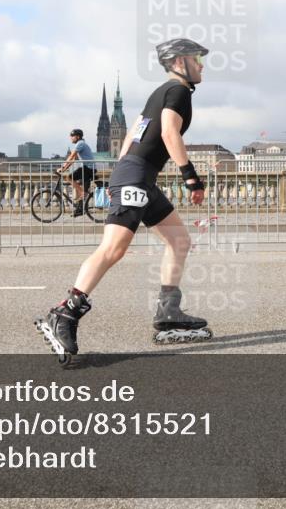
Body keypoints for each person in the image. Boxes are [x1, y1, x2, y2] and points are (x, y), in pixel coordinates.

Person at [35, 38, 211, 363]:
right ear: (179, 62)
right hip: (136, 176)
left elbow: (132, 134)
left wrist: (127, 170)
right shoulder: (178, 92)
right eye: (197, 59)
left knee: (179, 241)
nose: (202, 65)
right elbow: (169, 133)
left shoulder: (159, 93)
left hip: (138, 175)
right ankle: (65, 313)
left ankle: (168, 311)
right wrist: (191, 177)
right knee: (113, 249)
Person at [58, 128, 95, 217]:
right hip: (89, 168)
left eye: (72, 136)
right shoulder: (81, 144)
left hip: (88, 168)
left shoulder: (80, 144)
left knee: (69, 178)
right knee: (81, 187)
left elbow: (71, 156)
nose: (71, 138)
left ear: (78, 137)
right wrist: (64, 168)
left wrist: (62, 167)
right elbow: (73, 160)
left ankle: (83, 193)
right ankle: (80, 209)